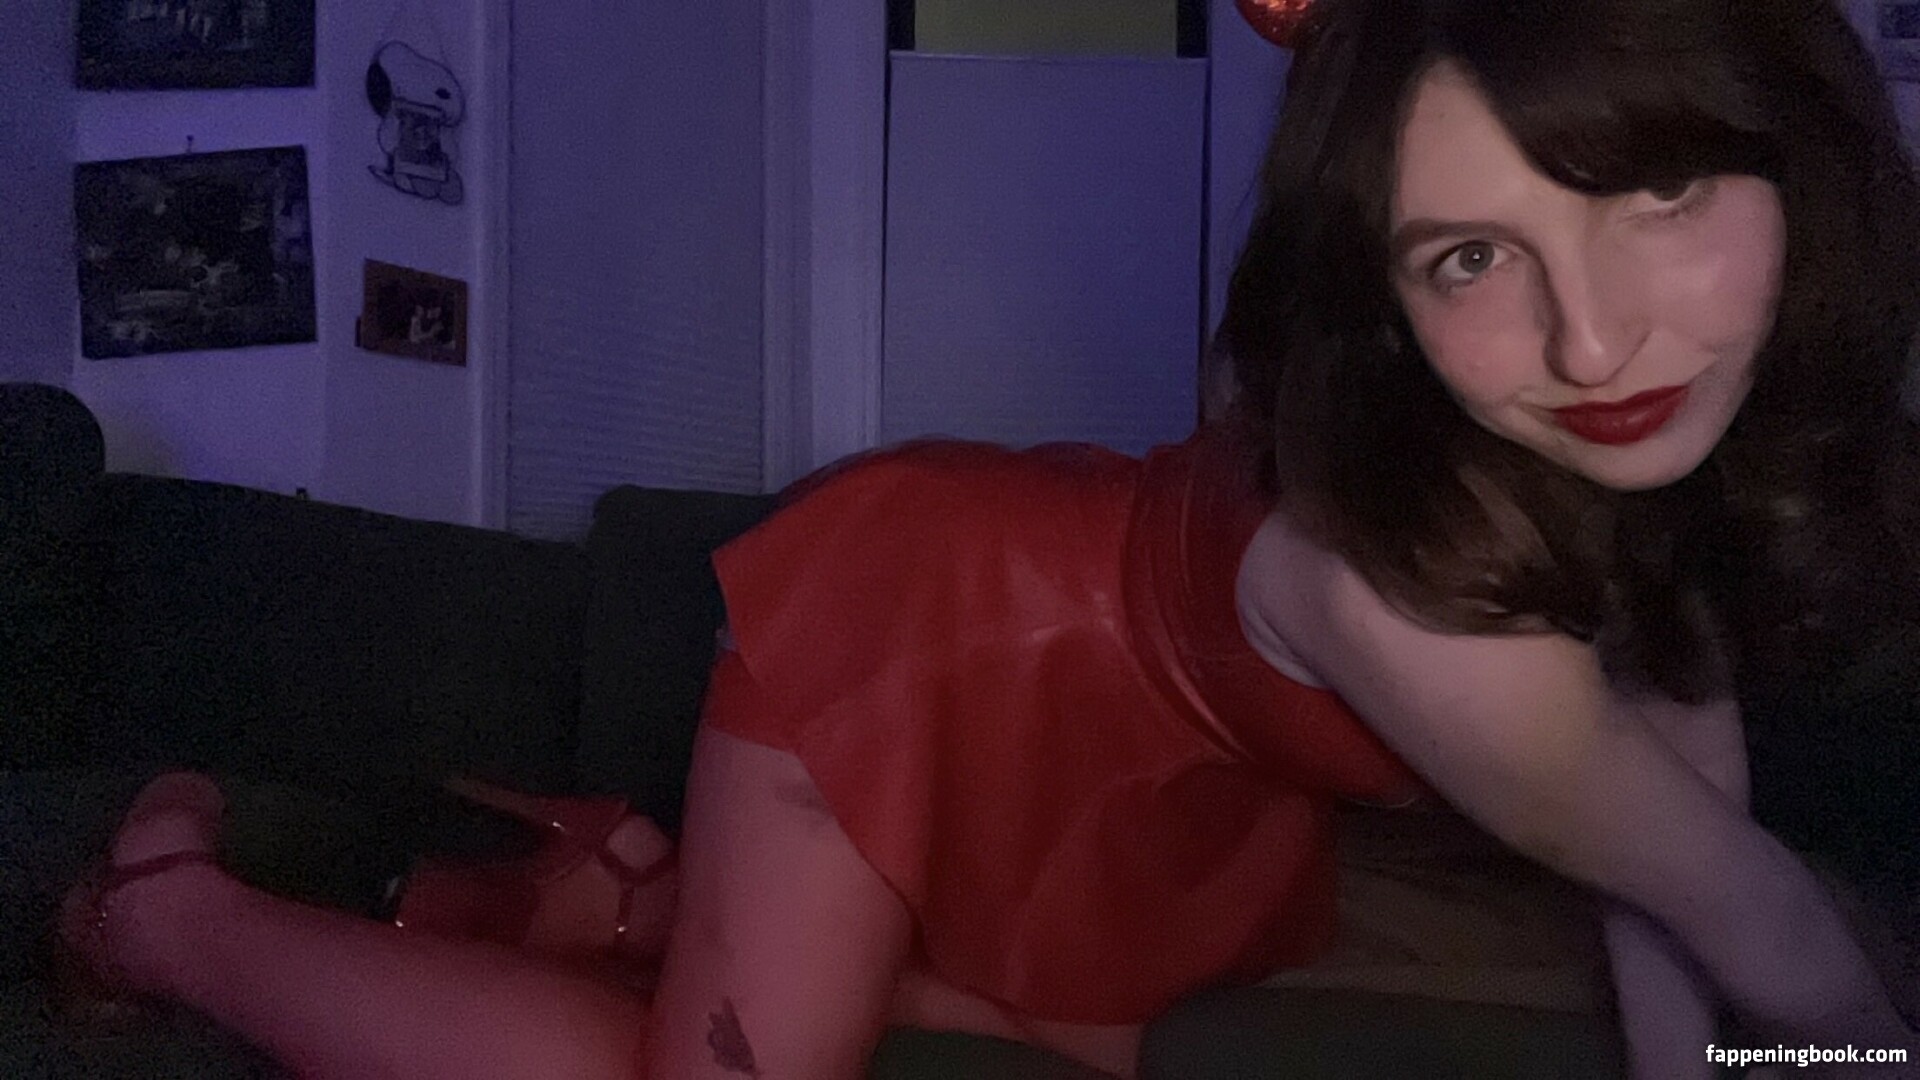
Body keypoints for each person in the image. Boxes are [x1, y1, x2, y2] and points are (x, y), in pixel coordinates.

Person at [58, 0, 1920, 1077]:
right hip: (933, 627)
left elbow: (1673, 889)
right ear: (1384, 289)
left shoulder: (1642, 485)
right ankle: (171, 922)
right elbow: (1784, 954)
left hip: (1131, 735)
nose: (1594, 346)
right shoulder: (1444, 623)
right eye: (1471, 256)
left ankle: (620, 891)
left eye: (1657, 190)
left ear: (1804, 161)